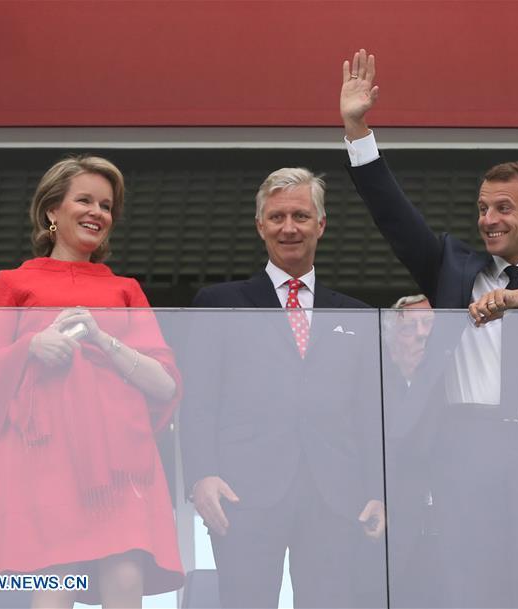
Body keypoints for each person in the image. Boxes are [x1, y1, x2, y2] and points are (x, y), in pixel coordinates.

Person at [340, 49, 518, 608]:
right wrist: (358, 129)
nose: (488, 220)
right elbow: (393, 217)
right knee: (466, 587)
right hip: (463, 446)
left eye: (503, 209)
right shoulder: (453, 266)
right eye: (482, 209)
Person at [0, 156, 184, 608]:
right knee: (55, 586)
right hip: (45, 458)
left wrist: (104, 340)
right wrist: (29, 348)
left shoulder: (126, 289)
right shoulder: (12, 283)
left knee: (125, 578)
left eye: (106, 206)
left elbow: (165, 385)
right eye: (84, 200)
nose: (97, 213)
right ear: (52, 210)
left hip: (120, 457)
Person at [181, 167, 385, 609]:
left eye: (300, 215)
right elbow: (197, 400)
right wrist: (200, 476)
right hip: (242, 494)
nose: (288, 227)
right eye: (276, 217)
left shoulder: (357, 315)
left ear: (321, 225)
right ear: (260, 226)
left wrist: (377, 490)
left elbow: (369, 412)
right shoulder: (219, 303)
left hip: (335, 496)